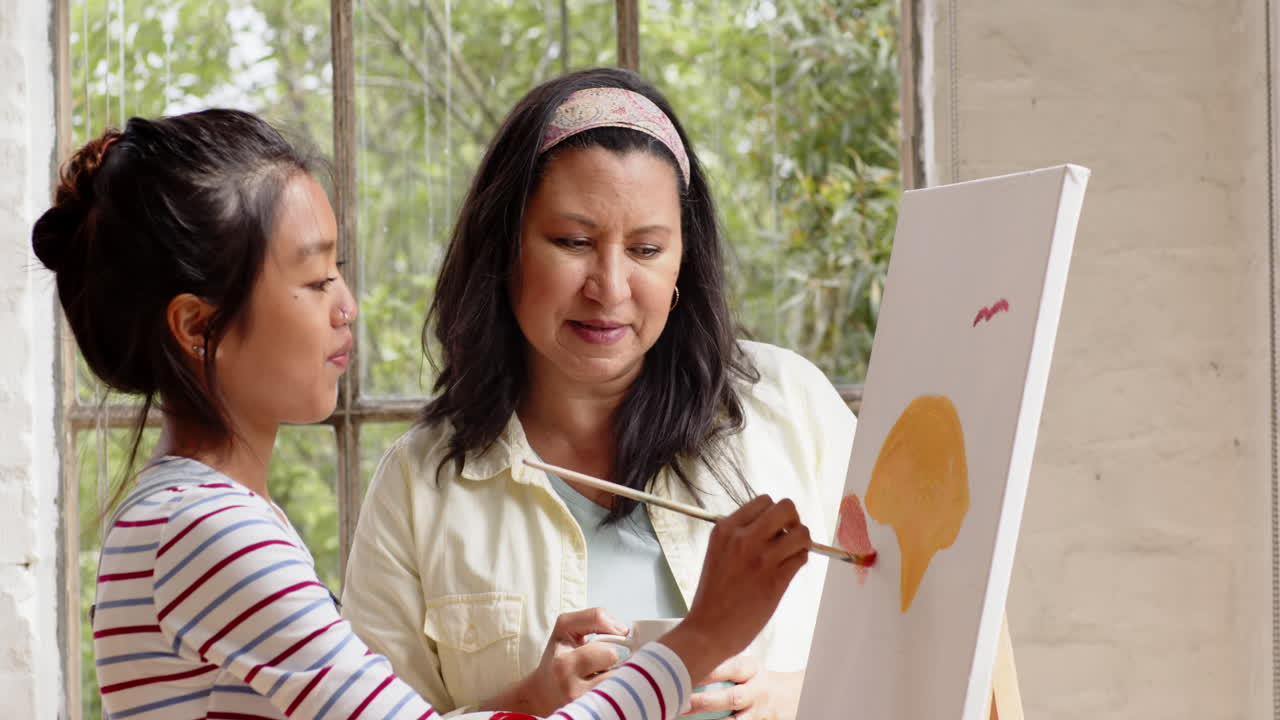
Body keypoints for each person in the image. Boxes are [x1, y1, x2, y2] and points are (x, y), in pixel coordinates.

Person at [34, 108, 813, 720]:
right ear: (198, 326)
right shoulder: (209, 530)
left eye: (340, 270)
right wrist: (704, 634)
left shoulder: (191, 514)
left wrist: (527, 700)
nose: (347, 307)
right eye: (313, 282)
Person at [342, 68, 856, 719]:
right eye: (573, 242)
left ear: (682, 265)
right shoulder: (419, 486)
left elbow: (925, 639)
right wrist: (528, 703)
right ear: (506, 249)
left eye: (645, 249)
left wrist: (802, 695)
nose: (609, 287)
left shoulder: (792, 408)